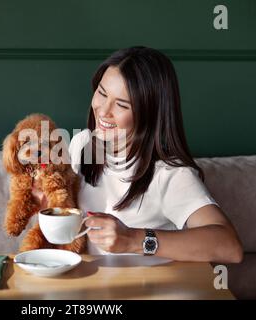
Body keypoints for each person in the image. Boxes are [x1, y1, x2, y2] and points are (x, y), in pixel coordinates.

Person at [32, 46, 243, 263]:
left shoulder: (170, 174)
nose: (103, 111)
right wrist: (48, 203)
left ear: (149, 115)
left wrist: (133, 239)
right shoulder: (82, 143)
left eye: (122, 105)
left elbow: (229, 247)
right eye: (102, 93)